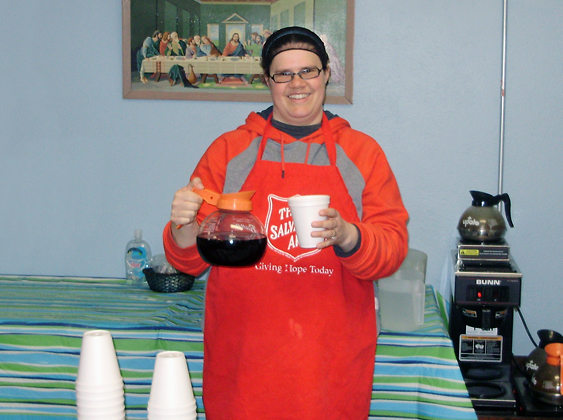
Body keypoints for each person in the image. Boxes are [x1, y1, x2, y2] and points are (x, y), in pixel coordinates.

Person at [163, 26, 409, 420]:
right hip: (243, 367)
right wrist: (183, 223)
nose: (297, 83)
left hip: (331, 369)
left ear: (327, 74)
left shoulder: (361, 153)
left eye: (308, 71)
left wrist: (349, 235)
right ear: (267, 81)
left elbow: (392, 250)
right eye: (283, 74)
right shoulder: (230, 150)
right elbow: (188, 261)